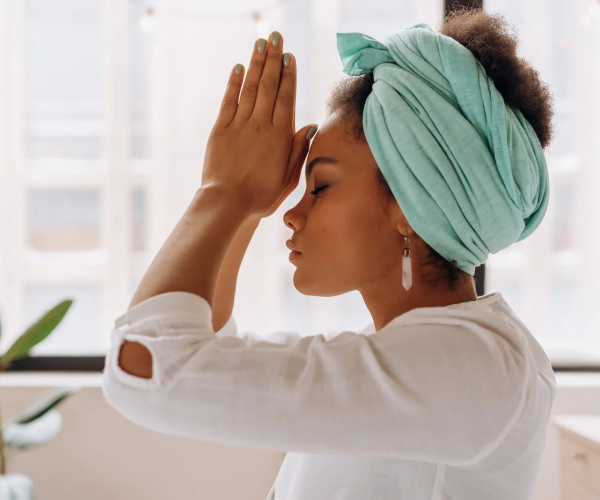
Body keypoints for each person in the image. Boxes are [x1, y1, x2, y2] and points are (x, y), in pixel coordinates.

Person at [102, 7, 556, 500]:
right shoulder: (418, 354)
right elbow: (201, 341)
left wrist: (224, 193)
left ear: (409, 206)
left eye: (318, 187)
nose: (291, 215)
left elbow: (145, 365)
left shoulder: (473, 366)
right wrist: (247, 210)